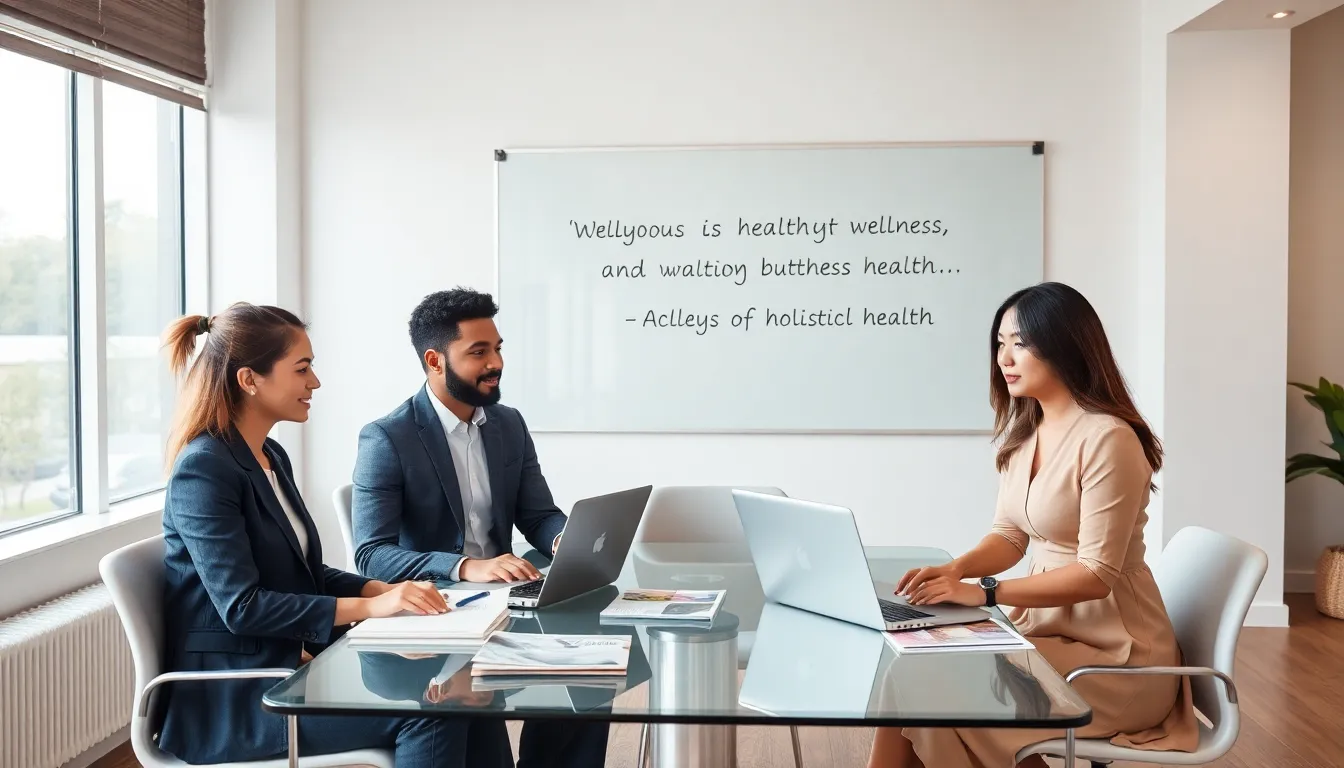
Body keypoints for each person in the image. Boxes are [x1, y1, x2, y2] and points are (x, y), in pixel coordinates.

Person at [157, 303, 510, 768]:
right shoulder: (204, 469)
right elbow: (242, 607)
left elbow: (302, 570)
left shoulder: (269, 457)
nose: (315, 382)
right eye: (302, 369)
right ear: (249, 380)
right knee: (436, 707)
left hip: (293, 668)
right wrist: (370, 607)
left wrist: (382, 590)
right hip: (238, 699)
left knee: (465, 687)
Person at [868, 282, 1199, 768]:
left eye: (1020, 342)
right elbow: (1009, 536)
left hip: (1114, 661)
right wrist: (955, 571)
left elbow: (1096, 574)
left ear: (1065, 344)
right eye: (1000, 343)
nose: (1005, 357)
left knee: (935, 690)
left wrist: (984, 593)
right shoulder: (1028, 433)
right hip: (1042, 636)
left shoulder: (1109, 438)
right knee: (913, 672)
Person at [351, 287, 609, 768]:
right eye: (478, 352)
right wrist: (468, 566)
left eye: (497, 348)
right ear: (434, 360)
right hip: (433, 621)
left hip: (506, 603)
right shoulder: (388, 437)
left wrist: (560, 538)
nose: (496, 363)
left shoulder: (508, 424)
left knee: (590, 673)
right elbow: (371, 553)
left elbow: (537, 513)